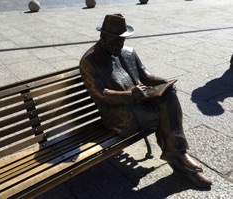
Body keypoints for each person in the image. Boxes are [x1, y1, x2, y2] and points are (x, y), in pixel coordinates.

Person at [79, 14, 212, 188]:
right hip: (118, 114)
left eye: (122, 41)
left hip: (140, 104)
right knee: (165, 114)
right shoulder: (90, 61)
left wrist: (164, 83)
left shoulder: (128, 52)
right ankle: (180, 158)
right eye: (114, 42)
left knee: (169, 95)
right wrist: (130, 95)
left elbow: (146, 76)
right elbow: (100, 94)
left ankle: (179, 156)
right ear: (103, 37)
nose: (119, 46)